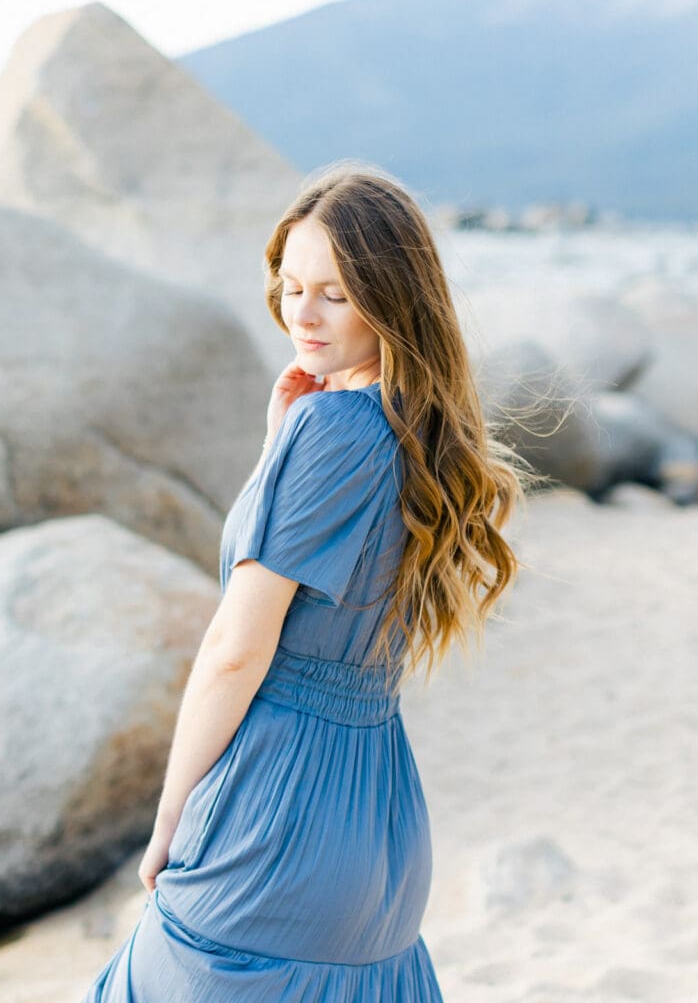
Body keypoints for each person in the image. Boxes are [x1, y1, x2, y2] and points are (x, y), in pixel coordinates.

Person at [83, 161, 527, 1001]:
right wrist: (275, 446)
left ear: (392, 297)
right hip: (381, 829)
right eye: (292, 287)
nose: (304, 314)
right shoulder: (417, 436)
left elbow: (235, 652)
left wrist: (173, 808)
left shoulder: (328, 429)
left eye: (335, 292)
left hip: (273, 811)